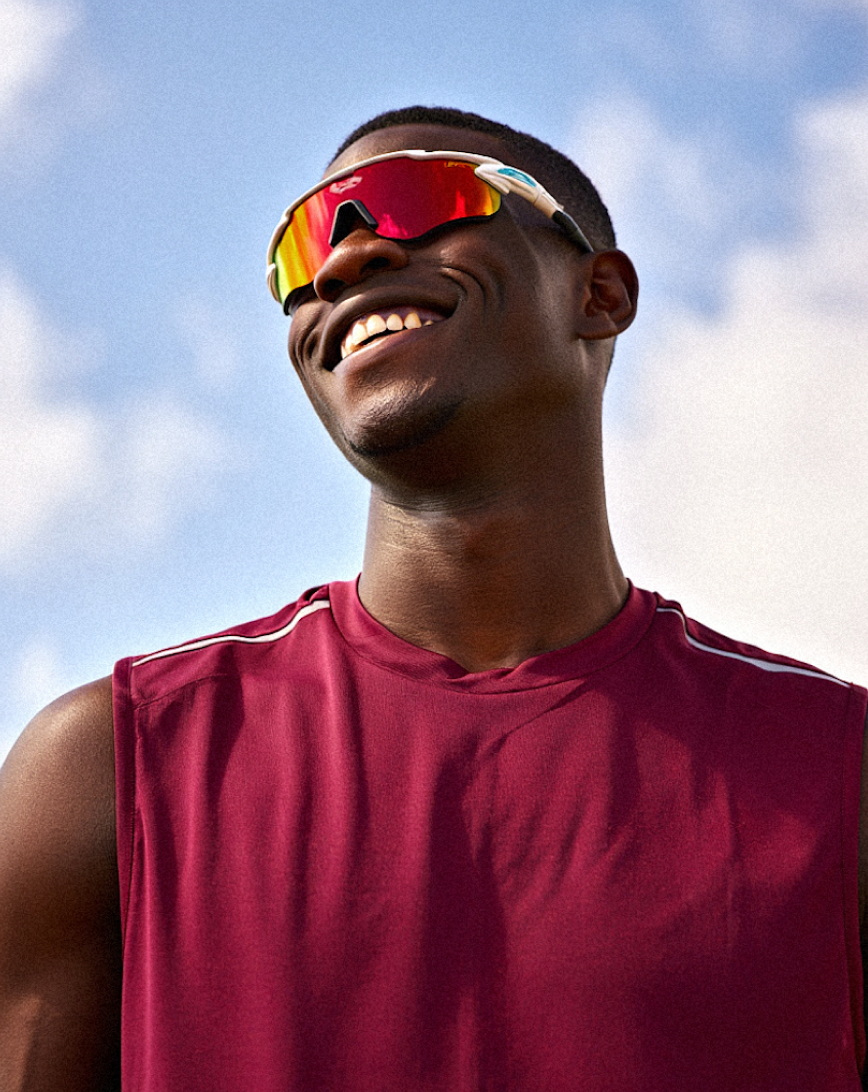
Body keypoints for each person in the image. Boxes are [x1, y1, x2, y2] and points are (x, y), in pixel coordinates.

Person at [0, 105, 865, 1092]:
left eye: (419, 196)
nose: (343, 261)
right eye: (300, 250)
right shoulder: (108, 771)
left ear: (598, 294)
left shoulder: (837, 772)